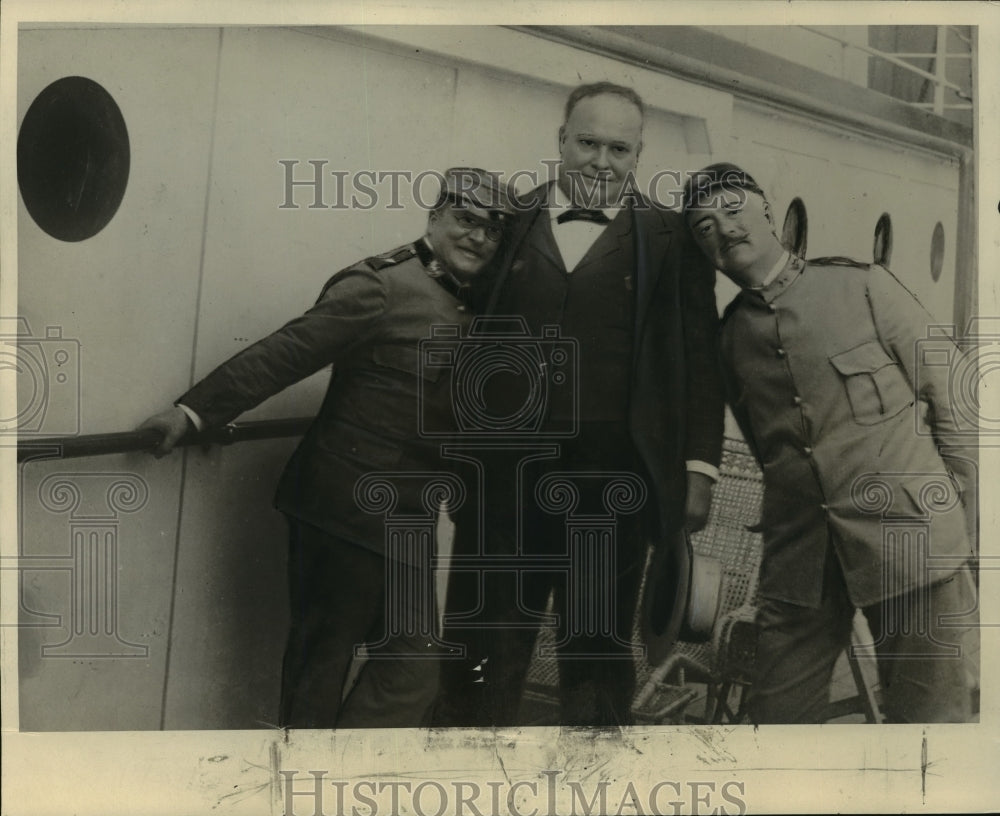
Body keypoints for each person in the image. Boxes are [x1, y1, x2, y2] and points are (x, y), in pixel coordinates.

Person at [139, 168, 514, 729]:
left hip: (409, 520)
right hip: (341, 510)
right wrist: (193, 413)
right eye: (466, 219)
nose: (478, 238)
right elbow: (285, 353)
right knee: (320, 669)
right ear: (435, 217)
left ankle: (334, 779)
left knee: (413, 670)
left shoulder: (478, 301)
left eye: (492, 230)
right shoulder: (382, 285)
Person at [434, 83, 725, 727]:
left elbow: (702, 362)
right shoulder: (506, 221)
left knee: (595, 650)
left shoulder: (672, 239)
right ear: (560, 140)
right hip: (502, 479)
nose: (601, 160)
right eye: (588, 142)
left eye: (618, 148)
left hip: (613, 482)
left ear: (639, 153)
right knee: (483, 645)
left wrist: (700, 468)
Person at [683, 162, 978, 723]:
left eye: (733, 207)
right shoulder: (729, 339)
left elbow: (954, 398)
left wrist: (960, 515)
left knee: (929, 722)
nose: (723, 228)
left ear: (766, 211)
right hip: (800, 560)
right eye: (703, 227)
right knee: (776, 720)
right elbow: (769, 448)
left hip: (910, 540)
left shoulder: (864, 286)